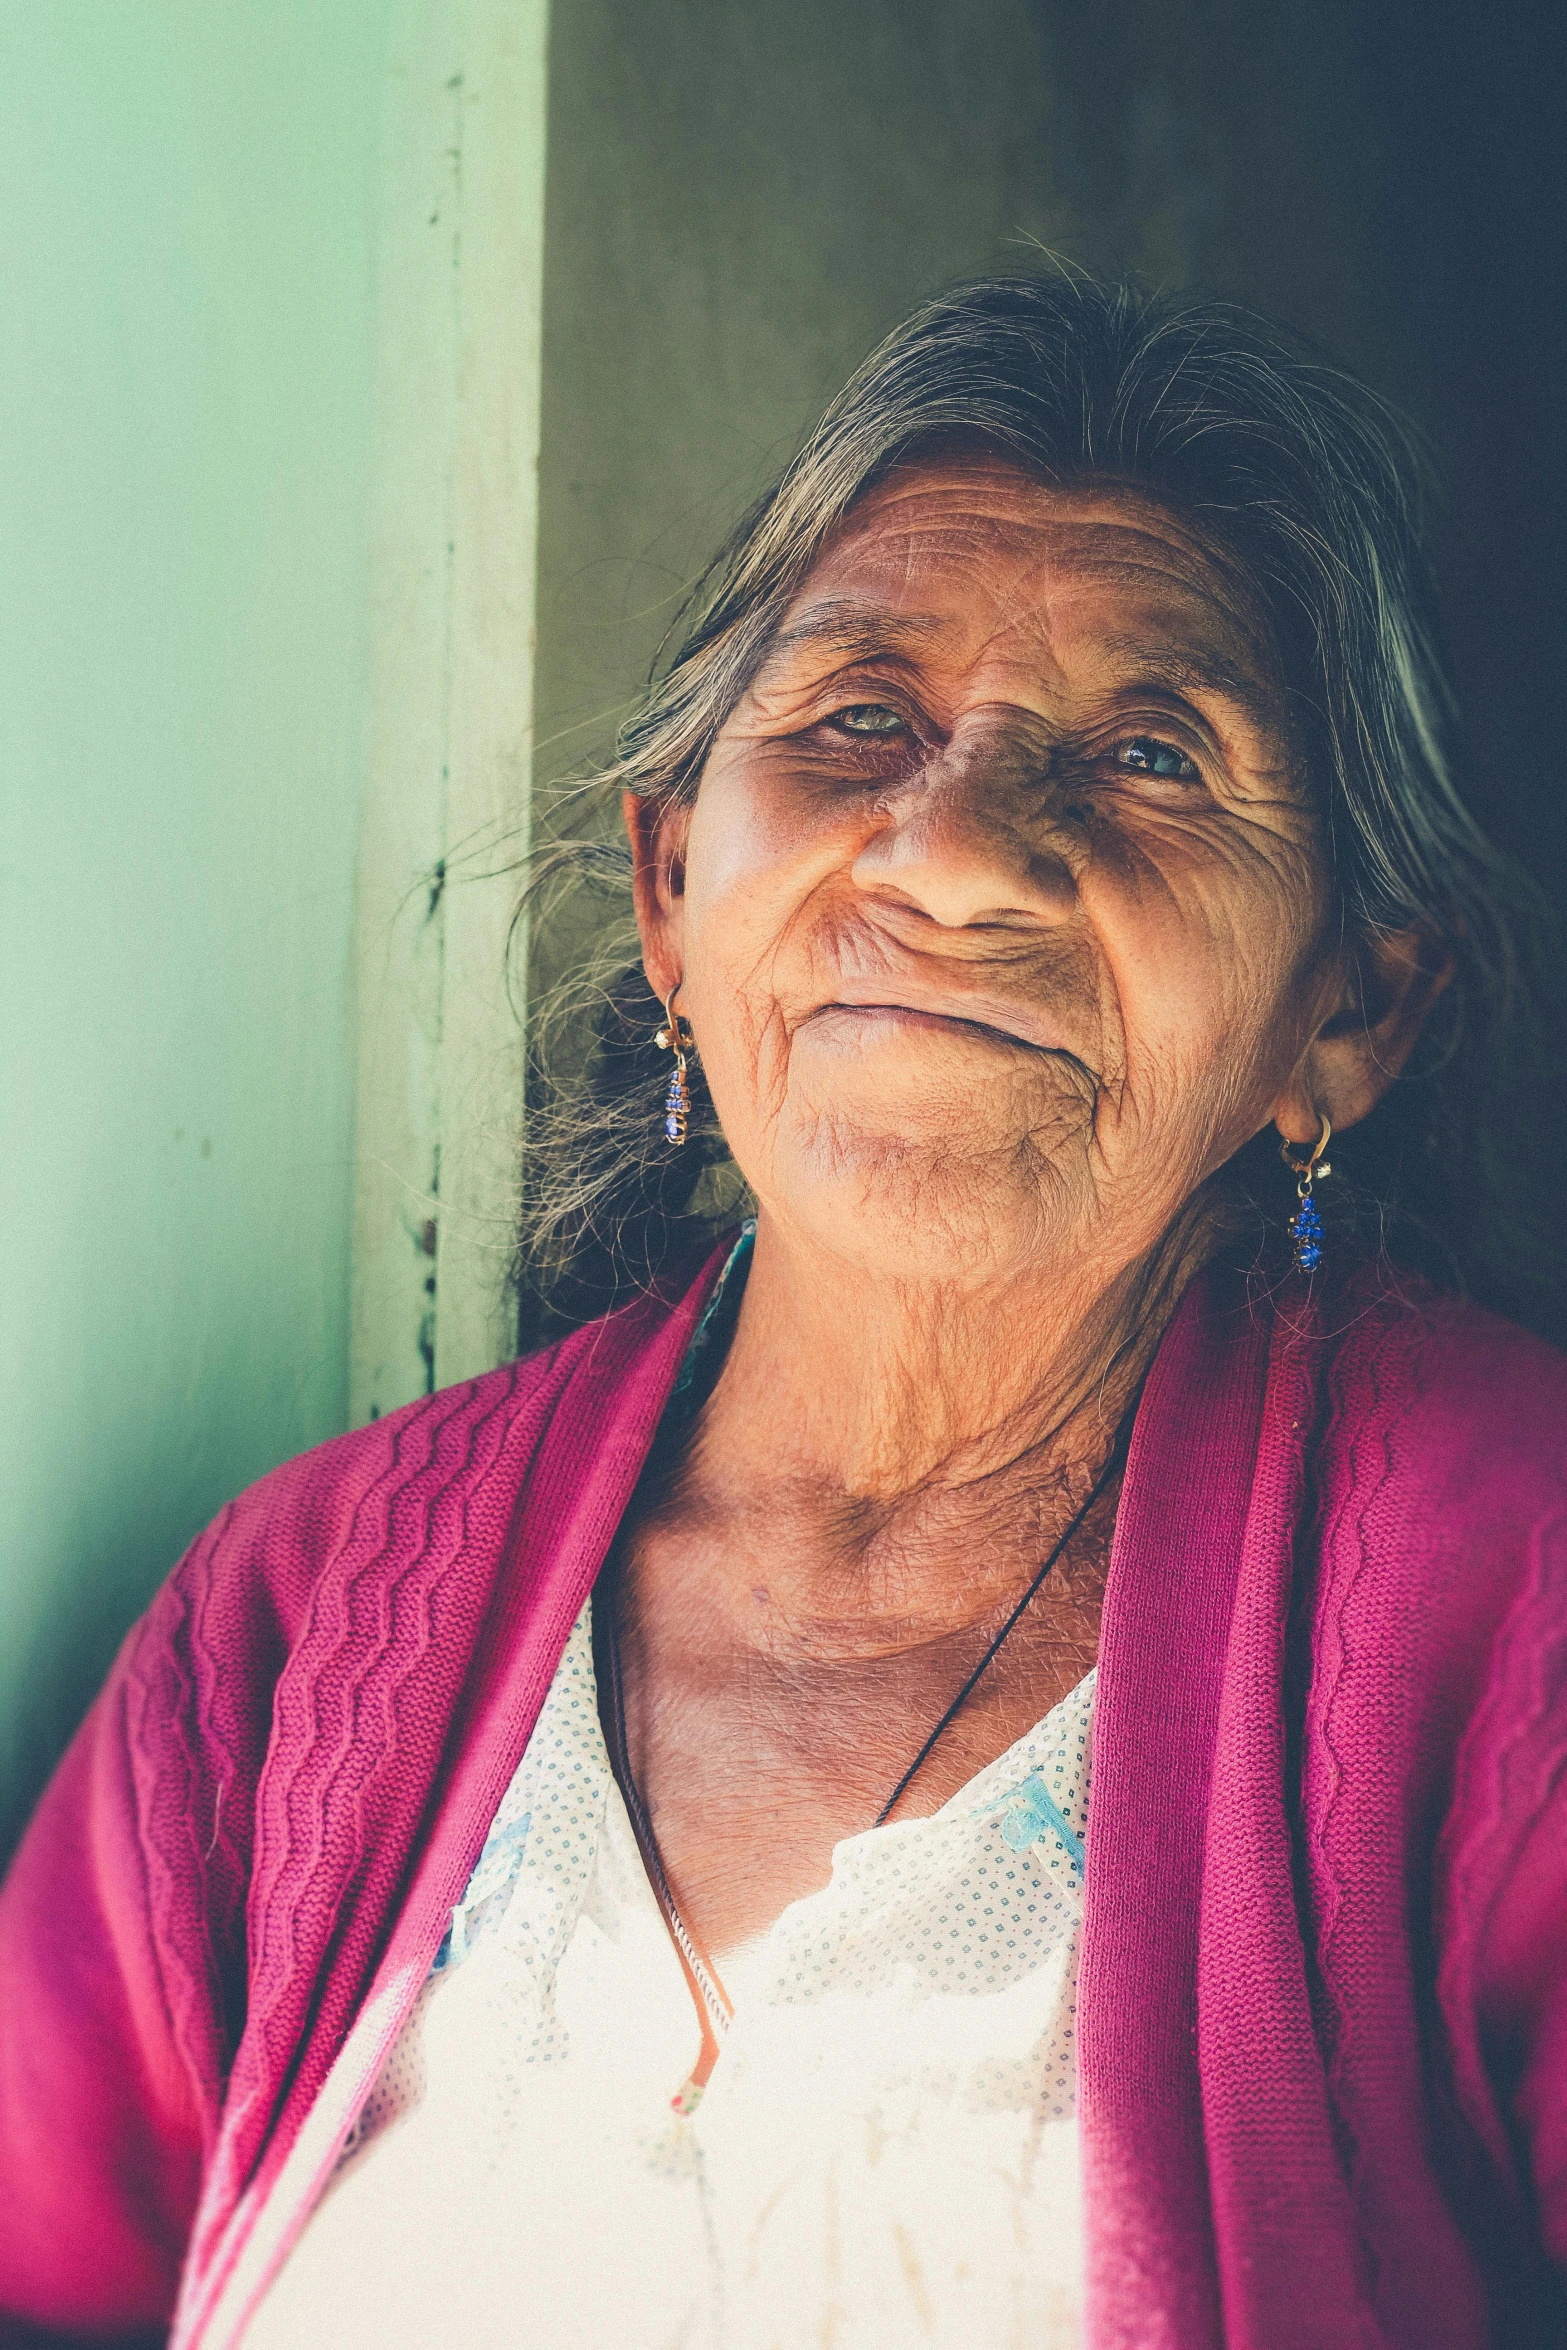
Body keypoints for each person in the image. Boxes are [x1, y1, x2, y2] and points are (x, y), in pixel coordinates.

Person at [2, 274, 1564, 2350]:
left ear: (1352, 1007)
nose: (953, 854)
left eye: (1156, 751)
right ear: (669, 891)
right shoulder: (297, 1620)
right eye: (857, 719)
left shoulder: (1510, 1590)